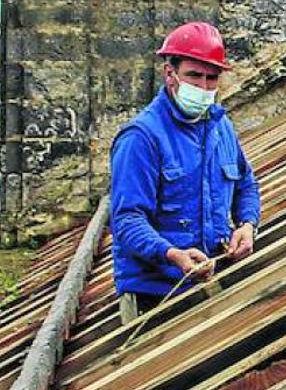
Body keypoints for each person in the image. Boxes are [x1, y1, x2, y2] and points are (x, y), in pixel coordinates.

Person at [108, 21, 262, 324]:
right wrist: (170, 253)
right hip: (154, 294)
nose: (203, 88)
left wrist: (247, 224)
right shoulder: (142, 137)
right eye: (194, 76)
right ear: (170, 74)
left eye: (211, 78)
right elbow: (126, 221)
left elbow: (245, 185)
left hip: (206, 283)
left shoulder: (220, 127)